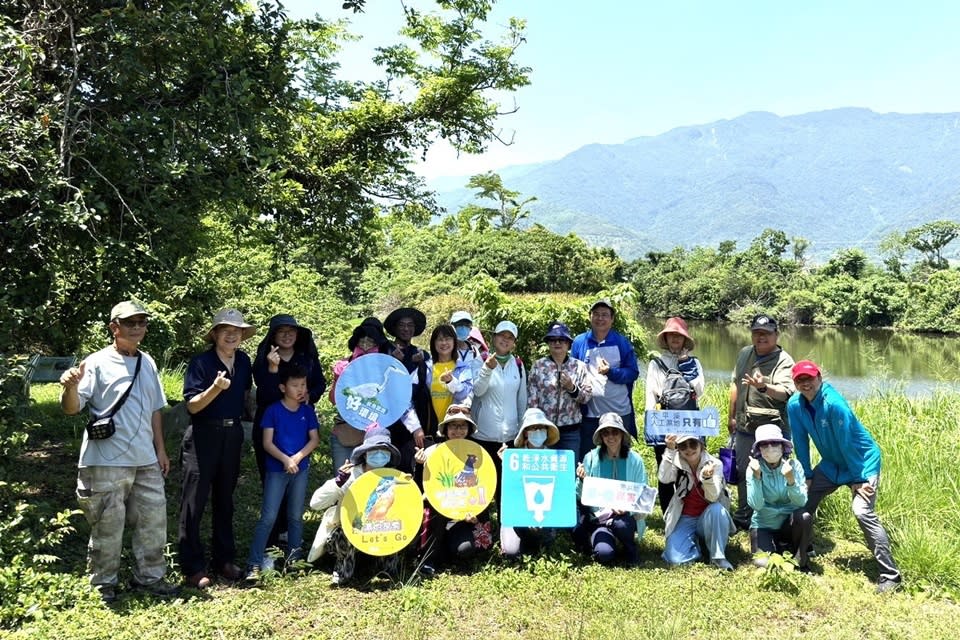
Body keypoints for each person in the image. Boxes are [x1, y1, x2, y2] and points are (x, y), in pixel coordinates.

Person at [58, 300, 178, 603]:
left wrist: (160, 450)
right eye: (129, 323)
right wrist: (69, 387)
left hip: (146, 460)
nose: (137, 327)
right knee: (107, 527)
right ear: (115, 327)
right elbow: (72, 409)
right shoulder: (96, 362)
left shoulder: (147, 362)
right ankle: (103, 584)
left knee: (153, 523)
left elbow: (155, 410)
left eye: (141, 322)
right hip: (105, 461)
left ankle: (150, 579)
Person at [787, 360, 902, 592]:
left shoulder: (835, 404)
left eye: (809, 378)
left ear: (819, 377)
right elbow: (799, 440)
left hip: (861, 462)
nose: (805, 383)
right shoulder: (794, 405)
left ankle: (891, 575)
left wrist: (858, 479)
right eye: (800, 380)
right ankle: (802, 553)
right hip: (832, 464)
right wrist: (807, 474)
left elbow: (847, 443)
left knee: (862, 511)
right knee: (802, 500)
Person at [179, 308, 255, 589]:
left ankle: (224, 560)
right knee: (194, 502)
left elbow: (246, 395)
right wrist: (215, 388)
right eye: (226, 330)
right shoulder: (201, 362)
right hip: (203, 434)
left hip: (232, 433)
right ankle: (193, 566)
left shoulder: (244, 361)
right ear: (215, 334)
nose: (232, 334)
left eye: (237, 330)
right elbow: (192, 405)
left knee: (226, 500)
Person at [252, 314, 325, 559]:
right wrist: (272, 370)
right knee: (272, 477)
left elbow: (319, 384)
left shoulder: (306, 358)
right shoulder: (264, 359)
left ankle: (289, 536)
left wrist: (309, 395)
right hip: (270, 426)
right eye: (281, 331)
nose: (286, 335)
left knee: (295, 476)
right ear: (273, 335)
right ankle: (272, 537)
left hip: (299, 426)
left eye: (290, 331)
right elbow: (264, 393)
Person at [245, 366, 320, 581]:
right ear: (282, 387)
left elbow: (314, 439)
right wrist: (286, 460)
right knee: (268, 517)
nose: (300, 389)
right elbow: (266, 443)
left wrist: (297, 458)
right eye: (295, 385)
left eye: (303, 385)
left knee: (296, 516)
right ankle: (254, 563)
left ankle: (295, 560)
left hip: (300, 469)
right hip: (277, 470)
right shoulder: (273, 411)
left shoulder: (307, 411)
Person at [307, 425, 406, 586]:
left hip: (379, 529)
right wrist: (339, 482)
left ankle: (386, 568)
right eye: (375, 450)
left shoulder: (393, 476)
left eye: (384, 450)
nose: (379, 455)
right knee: (344, 535)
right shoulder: (351, 475)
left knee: (397, 528)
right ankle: (343, 570)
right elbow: (315, 503)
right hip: (351, 530)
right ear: (365, 453)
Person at [728, 313, 795, 531]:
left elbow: (785, 393)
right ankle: (744, 514)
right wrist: (731, 416)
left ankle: (777, 518)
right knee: (743, 470)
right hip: (745, 427)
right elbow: (735, 384)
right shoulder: (745, 353)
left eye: (766, 333)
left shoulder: (784, 360)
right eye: (757, 333)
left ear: (776, 335)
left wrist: (764, 387)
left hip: (773, 431)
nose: (761, 338)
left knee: (775, 472)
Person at [413, 405, 493, 575]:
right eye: (453, 426)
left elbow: (485, 486)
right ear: (446, 429)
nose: (458, 430)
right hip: (438, 515)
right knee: (435, 512)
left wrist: (476, 515)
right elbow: (420, 487)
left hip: (463, 516)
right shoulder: (432, 451)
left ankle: (447, 545)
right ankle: (430, 557)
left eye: (462, 426)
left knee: (465, 549)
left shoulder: (478, 453)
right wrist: (419, 466)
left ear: (469, 429)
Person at [644, 317, 705, 512]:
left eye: (679, 336)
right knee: (665, 468)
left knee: (688, 468)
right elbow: (650, 395)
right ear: (666, 338)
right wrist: (651, 427)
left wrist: (686, 364)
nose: (675, 339)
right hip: (664, 422)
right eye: (671, 335)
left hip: (688, 423)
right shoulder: (656, 364)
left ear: (685, 339)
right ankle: (667, 514)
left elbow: (699, 389)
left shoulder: (694, 362)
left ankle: (687, 511)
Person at [573, 413, 647, 566]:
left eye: (615, 432)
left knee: (621, 524)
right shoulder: (590, 458)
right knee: (604, 554)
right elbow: (580, 496)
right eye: (606, 433)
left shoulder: (635, 460)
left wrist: (627, 509)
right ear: (601, 436)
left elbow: (643, 496)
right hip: (599, 519)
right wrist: (582, 481)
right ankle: (606, 540)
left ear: (622, 434)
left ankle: (629, 547)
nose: (610, 436)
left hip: (625, 518)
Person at [571, 299, 640, 462]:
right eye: (596, 314)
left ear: (612, 319)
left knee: (620, 457)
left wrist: (611, 372)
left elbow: (632, 373)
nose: (600, 318)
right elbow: (573, 370)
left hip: (619, 412)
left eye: (604, 315)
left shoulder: (621, 342)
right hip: (589, 414)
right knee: (588, 459)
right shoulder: (580, 342)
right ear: (590, 317)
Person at [659, 434, 735, 570]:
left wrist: (707, 479)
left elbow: (712, 497)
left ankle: (718, 557)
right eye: (683, 446)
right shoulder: (676, 460)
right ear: (678, 449)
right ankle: (699, 546)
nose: (689, 449)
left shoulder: (715, 463)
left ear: (702, 446)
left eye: (693, 444)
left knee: (717, 509)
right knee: (674, 560)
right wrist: (669, 451)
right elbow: (664, 479)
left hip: (709, 516)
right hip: (685, 516)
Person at [327, 317, 392, 473]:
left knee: (370, 482)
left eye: (370, 342)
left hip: (374, 437)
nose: (365, 346)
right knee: (342, 480)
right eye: (362, 341)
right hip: (345, 433)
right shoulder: (344, 365)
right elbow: (334, 400)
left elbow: (393, 403)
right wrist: (338, 379)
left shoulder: (385, 367)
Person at [471, 320, 527, 499]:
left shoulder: (518, 364)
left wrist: (521, 431)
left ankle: (506, 526)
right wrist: (487, 368)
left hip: (510, 437)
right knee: (483, 486)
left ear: (514, 342)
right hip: (483, 436)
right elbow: (477, 391)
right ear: (494, 338)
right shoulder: (479, 360)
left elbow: (522, 399)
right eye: (502, 335)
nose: (506, 340)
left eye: (510, 337)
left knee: (507, 488)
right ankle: (484, 526)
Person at [745, 424, 811, 570]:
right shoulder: (754, 468)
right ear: (759, 449)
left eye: (774, 443)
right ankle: (781, 548)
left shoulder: (794, 465)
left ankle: (802, 559)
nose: (770, 448)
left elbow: (801, 502)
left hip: (789, 523)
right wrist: (757, 477)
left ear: (782, 446)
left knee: (805, 516)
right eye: (764, 444)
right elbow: (756, 505)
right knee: (761, 563)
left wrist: (790, 480)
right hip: (764, 524)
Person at [498, 408, 562, 559]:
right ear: (525, 432)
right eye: (533, 428)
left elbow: (558, 494)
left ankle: (535, 539)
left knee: (544, 541)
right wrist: (505, 465)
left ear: (547, 431)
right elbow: (510, 495)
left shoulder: (555, 459)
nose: (538, 431)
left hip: (544, 514)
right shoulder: (514, 458)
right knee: (511, 552)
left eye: (541, 427)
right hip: (517, 515)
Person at [526, 321, 593, 455]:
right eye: (553, 340)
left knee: (568, 471)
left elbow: (587, 397)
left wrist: (572, 388)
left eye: (561, 340)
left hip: (571, 431)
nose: (557, 343)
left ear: (568, 344)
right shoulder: (538, 366)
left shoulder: (579, 366)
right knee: (544, 471)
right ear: (548, 343)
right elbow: (531, 401)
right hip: (543, 430)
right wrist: (532, 427)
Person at [426, 324, 475, 437]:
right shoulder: (426, 367)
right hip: (430, 428)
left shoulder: (463, 368)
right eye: (440, 339)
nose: (444, 343)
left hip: (454, 429)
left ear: (454, 342)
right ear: (434, 343)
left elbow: (463, 395)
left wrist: (451, 381)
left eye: (448, 339)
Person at [450, 310, 486, 377]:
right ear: (452, 327)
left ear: (470, 329)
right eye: (459, 324)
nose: (463, 328)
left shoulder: (474, 351)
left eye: (466, 325)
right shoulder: (445, 350)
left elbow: (479, 375)